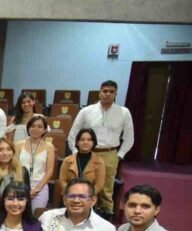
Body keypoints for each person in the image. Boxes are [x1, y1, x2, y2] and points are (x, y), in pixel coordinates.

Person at [68, 80, 135, 220]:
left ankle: (106, 220)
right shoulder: (86, 111)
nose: (107, 94)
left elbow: (129, 137)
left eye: (111, 92)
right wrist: (75, 152)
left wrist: (119, 155)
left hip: (110, 153)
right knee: (84, 186)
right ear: (99, 93)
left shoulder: (123, 112)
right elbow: (73, 134)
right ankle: (80, 216)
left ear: (116, 94)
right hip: (86, 153)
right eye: (105, 91)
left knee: (106, 190)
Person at [15, 116, 55, 211]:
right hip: (20, 184)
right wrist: (22, 187)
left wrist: (37, 189)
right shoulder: (18, 144)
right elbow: (14, 167)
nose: (35, 129)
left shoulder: (49, 147)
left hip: (40, 185)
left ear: (44, 130)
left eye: (39, 127)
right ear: (28, 128)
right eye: (33, 126)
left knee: (36, 214)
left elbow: (49, 171)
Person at [58, 129, 106, 198]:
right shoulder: (67, 160)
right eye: (82, 140)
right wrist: (71, 194)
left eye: (89, 140)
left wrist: (86, 196)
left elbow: (99, 184)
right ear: (77, 142)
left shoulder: (99, 162)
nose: (85, 142)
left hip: (89, 198)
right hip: (69, 196)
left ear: (93, 142)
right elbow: (62, 180)